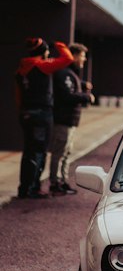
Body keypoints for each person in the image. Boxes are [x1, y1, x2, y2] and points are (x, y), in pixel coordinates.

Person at [14, 37, 74, 199]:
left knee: (28, 151)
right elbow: (68, 58)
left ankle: (24, 187)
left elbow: (18, 95)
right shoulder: (42, 66)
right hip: (41, 113)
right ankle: (32, 188)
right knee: (39, 151)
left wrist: (22, 110)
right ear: (43, 52)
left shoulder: (21, 68)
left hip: (26, 113)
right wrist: (58, 45)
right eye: (47, 52)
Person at [49, 43, 95, 194]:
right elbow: (67, 95)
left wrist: (82, 85)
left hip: (70, 120)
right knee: (59, 152)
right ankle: (55, 183)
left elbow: (70, 87)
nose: (84, 59)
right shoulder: (64, 73)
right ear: (74, 56)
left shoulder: (70, 73)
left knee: (66, 152)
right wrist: (86, 96)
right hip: (63, 120)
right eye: (82, 56)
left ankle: (63, 181)